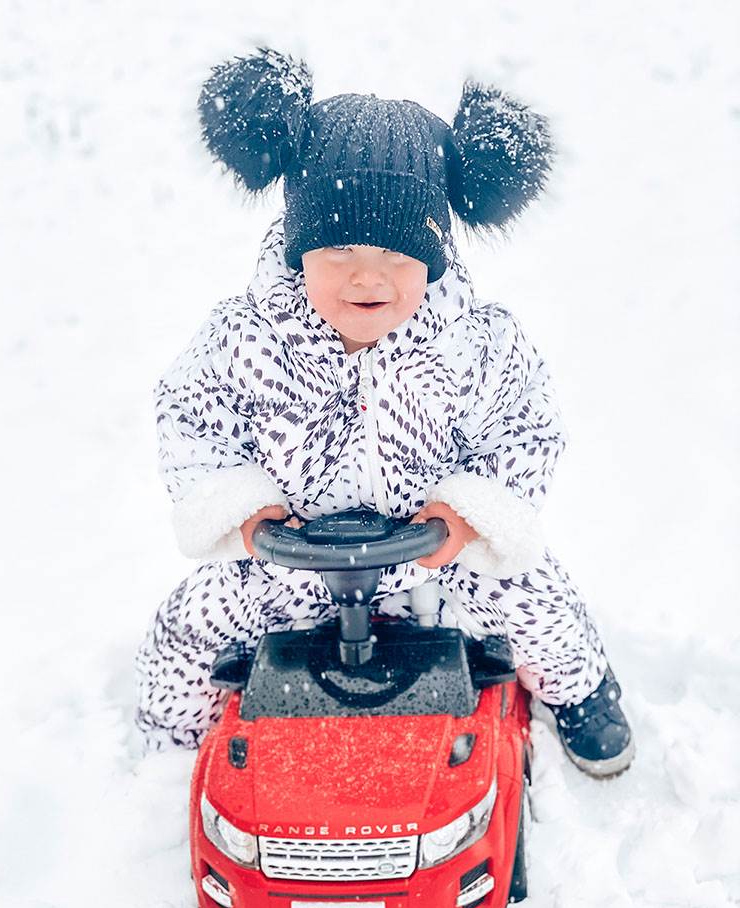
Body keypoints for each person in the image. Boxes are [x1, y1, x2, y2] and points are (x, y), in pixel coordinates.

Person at [134, 46, 634, 777]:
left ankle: (580, 691)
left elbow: (525, 428)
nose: (367, 277)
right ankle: (172, 750)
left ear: (432, 258)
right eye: (338, 248)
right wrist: (240, 511)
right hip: (290, 562)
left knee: (538, 595)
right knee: (185, 624)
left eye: (397, 255)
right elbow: (190, 419)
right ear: (298, 249)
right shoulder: (245, 338)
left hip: (435, 557)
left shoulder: (473, 342)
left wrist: (469, 513)